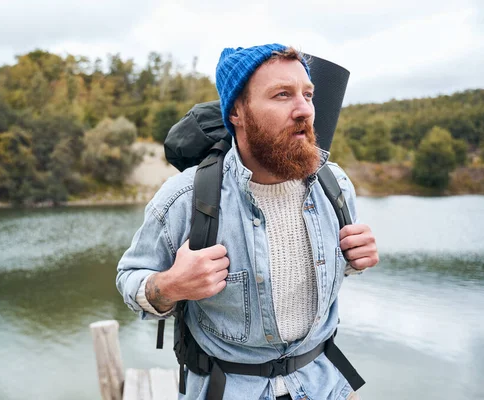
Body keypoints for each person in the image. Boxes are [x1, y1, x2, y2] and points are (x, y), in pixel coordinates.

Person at [116, 43, 379, 400]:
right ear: (237, 111)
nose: (304, 109)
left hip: (326, 385)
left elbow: (321, 268)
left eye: (308, 94)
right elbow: (130, 279)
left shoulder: (334, 183)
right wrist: (172, 286)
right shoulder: (186, 196)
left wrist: (353, 260)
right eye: (283, 95)